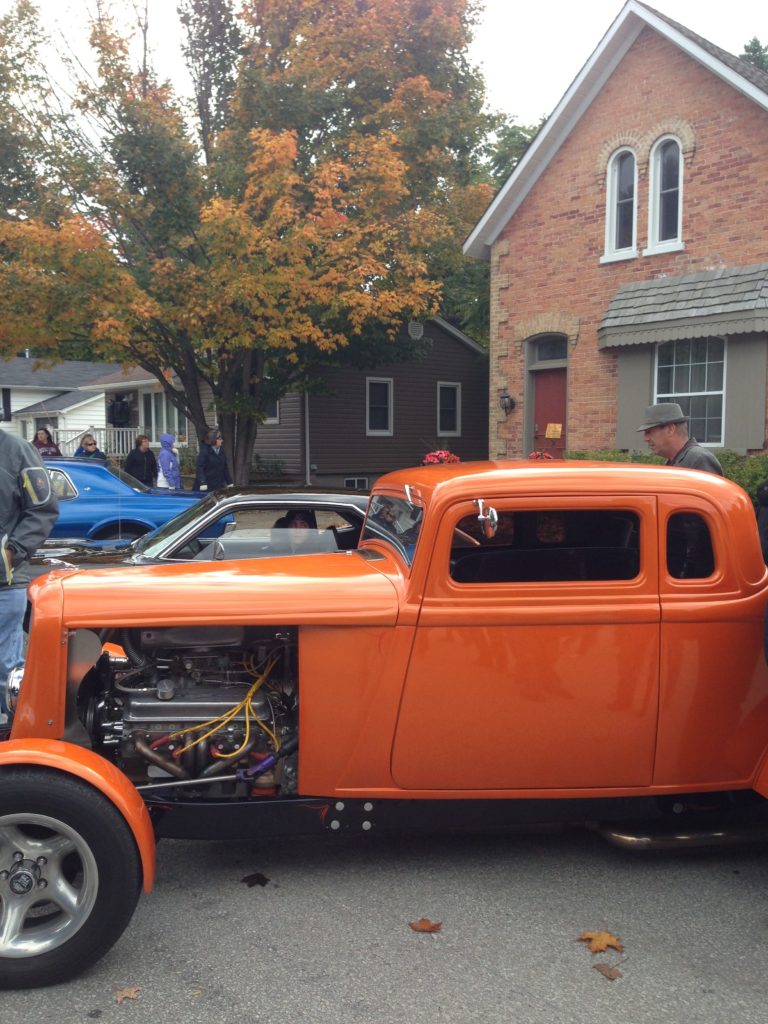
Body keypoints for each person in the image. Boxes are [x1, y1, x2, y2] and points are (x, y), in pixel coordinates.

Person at [0, 431, 59, 720]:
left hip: (3, 584)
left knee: (5, 673)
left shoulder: (16, 451)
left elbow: (43, 509)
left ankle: (15, 751)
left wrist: (11, 552)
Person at [638, 403, 723, 475]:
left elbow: (711, 494)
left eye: (649, 432)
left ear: (670, 429)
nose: (645, 439)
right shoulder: (676, 461)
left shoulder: (700, 459)